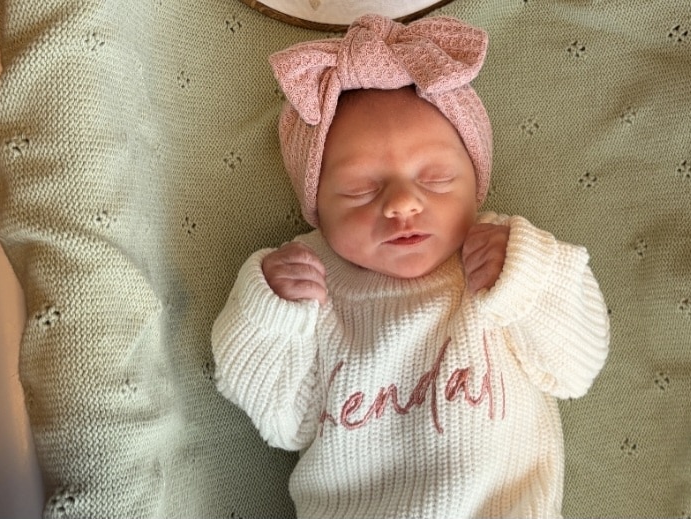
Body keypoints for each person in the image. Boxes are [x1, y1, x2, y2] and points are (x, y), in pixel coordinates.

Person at [212, 13, 609, 518]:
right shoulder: (312, 285)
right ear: (317, 208)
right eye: (361, 189)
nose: (402, 203)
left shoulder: (501, 261)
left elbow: (576, 368)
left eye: (436, 178)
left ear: (476, 182)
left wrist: (530, 275)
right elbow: (283, 422)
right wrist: (270, 315)